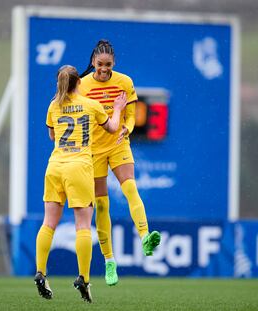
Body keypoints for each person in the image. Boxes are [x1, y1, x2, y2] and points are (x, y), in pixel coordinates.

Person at [34, 65, 127, 303]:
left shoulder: (53, 106)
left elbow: (53, 135)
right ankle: (83, 278)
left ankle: (41, 272)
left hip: (55, 166)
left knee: (48, 223)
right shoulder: (90, 104)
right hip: (79, 166)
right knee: (83, 226)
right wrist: (117, 109)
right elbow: (113, 127)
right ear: (79, 83)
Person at [79, 40, 161, 286]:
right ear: (93, 61)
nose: (104, 69)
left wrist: (127, 128)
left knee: (130, 188)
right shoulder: (82, 86)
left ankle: (145, 236)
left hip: (117, 144)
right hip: (93, 151)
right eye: (100, 64)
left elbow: (131, 115)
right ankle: (109, 261)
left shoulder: (124, 82)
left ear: (114, 63)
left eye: (108, 65)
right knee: (101, 207)